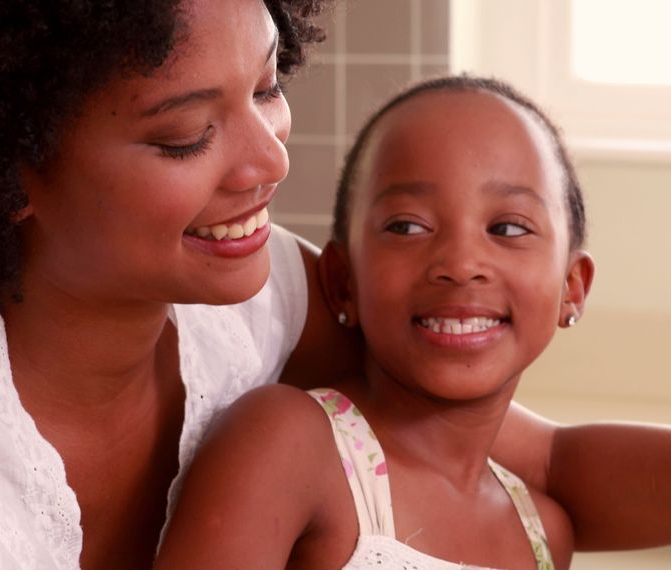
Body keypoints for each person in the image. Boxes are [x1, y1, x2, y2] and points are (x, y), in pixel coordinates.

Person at [0, 1, 671, 569]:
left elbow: (543, 461)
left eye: (268, 86)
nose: (270, 162)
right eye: (190, 133)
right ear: (0, 167)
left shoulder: (254, 303)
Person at [155, 75, 587, 569]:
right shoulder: (288, 444)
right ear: (343, 282)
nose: (461, 263)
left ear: (572, 288)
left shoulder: (544, 532)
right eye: (407, 226)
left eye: (508, 228)